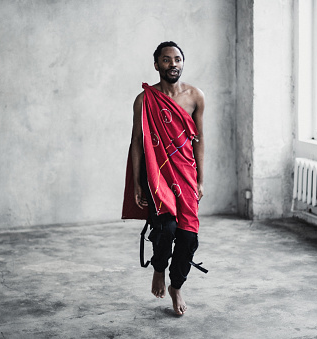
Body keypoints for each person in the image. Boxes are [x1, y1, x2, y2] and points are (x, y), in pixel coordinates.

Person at [122, 41, 205, 315]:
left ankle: (176, 285)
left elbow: (199, 140)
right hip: (156, 175)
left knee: (188, 237)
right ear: (156, 64)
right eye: (167, 60)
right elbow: (137, 141)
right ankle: (159, 268)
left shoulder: (195, 96)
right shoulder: (145, 99)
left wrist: (200, 179)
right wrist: (136, 182)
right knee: (166, 228)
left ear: (183, 62)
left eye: (178, 59)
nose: (173, 64)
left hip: (185, 175)